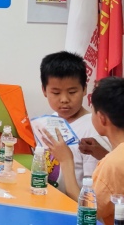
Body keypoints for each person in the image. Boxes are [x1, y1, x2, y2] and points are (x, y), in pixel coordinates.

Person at [44, 76, 124, 225]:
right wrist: (104, 154)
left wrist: (66, 160)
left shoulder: (113, 164)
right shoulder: (116, 158)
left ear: (102, 118)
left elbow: (88, 212)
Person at [37, 51, 110, 194]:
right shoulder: (48, 121)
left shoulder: (93, 130)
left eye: (72, 92)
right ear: (44, 90)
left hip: (74, 204)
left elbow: (93, 190)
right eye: (56, 93)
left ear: (84, 89)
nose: (64, 99)